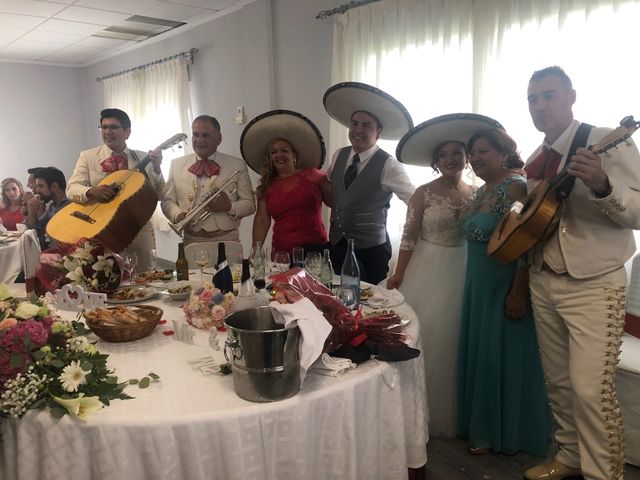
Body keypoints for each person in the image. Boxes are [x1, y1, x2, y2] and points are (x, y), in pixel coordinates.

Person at [522, 67, 640, 480]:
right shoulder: (537, 156)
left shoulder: (606, 140)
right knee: (557, 382)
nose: (540, 106)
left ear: (572, 96)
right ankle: (569, 455)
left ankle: (604, 474)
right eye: (533, 99)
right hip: (543, 277)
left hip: (595, 283)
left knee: (592, 391)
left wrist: (604, 183)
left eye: (549, 96)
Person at [387, 113, 501, 437]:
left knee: (457, 337)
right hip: (430, 266)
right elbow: (408, 237)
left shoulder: (478, 192)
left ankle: (457, 408)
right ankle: (417, 408)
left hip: (466, 266)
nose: (450, 159)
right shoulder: (423, 192)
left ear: (467, 157)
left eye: (456, 153)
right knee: (430, 334)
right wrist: (398, 275)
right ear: (435, 162)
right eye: (443, 155)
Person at [457, 128, 551, 457]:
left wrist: (517, 292)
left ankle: (502, 431)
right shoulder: (483, 189)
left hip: (503, 284)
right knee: (482, 352)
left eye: (483, 150)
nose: (476, 158)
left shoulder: (515, 186)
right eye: (473, 152)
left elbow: (527, 242)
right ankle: (479, 424)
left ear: (503, 152)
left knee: (500, 357)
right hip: (476, 284)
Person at [323, 82, 414, 284]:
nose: (358, 129)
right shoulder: (339, 155)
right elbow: (333, 190)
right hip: (337, 244)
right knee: (338, 297)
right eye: (355, 123)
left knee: (371, 303)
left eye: (366, 125)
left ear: (378, 132)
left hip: (371, 250)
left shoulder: (389, 165)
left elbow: (414, 200)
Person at [67, 108, 164, 271]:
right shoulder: (88, 156)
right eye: (103, 127)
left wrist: (156, 167)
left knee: (145, 275)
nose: (107, 132)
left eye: (113, 127)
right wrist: (92, 191)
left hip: (138, 228)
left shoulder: (142, 157)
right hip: (103, 228)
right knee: (106, 276)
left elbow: (159, 193)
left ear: (127, 132)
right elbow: (71, 189)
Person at [241, 110, 331, 257]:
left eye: (284, 150)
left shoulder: (313, 174)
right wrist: (256, 250)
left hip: (316, 250)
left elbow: (334, 200)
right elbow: (262, 220)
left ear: (294, 155)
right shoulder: (266, 186)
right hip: (282, 254)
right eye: (274, 152)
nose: (279, 155)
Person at [161, 115, 255, 247]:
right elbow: (167, 201)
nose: (199, 140)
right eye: (195, 135)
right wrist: (177, 215)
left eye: (206, 135)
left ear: (219, 138)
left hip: (227, 239)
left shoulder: (237, 165)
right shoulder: (176, 165)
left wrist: (229, 207)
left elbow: (250, 205)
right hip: (191, 240)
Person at [26, 167, 70, 249]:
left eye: (41, 186)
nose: (37, 190)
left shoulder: (71, 206)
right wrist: (31, 211)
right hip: (51, 251)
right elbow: (36, 230)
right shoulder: (52, 206)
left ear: (54, 186)